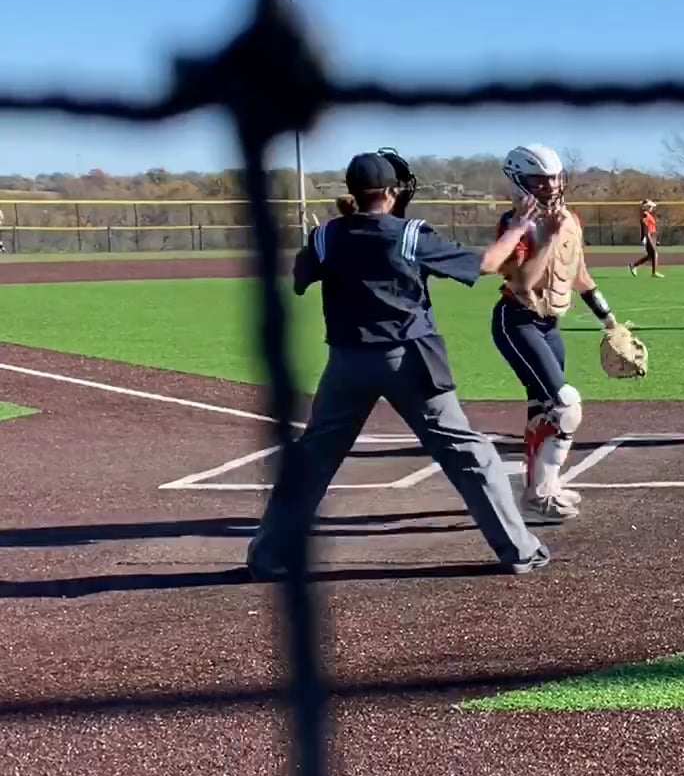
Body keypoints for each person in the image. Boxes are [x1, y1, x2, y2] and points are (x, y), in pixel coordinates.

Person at [246, 151, 549, 578]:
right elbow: (484, 264)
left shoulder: (327, 235)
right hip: (409, 359)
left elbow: (299, 281)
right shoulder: (409, 233)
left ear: (352, 192)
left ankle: (267, 556)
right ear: (390, 193)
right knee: (468, 454)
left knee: (312, 459)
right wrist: (517, 227)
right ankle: (518, 550)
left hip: (347, 364)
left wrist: (332, 243)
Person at [492, 144, 632, 521]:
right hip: (517, 321)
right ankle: (540, 495)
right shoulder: (514, 224)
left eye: (554, 179)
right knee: (566, 407)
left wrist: (609, 320)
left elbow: (581, 275)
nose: (551, 187)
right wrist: (547, 238)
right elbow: (522, 282)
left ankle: (539, 491)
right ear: (519, 181)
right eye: (540, 181)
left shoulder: (570, 220)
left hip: (550, 325)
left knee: (543, 410)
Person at [629, 200, 661, 277]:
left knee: (650, 256)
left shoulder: (648, 215)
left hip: (652, 236)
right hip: (649, 235)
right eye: (650, 207)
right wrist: (645, 237)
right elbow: (644, 226)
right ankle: (654, 272)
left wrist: (655, 240)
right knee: (654, 254)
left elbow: (651, 226)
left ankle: (634, 265)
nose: (651, 208)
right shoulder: (645, 215)